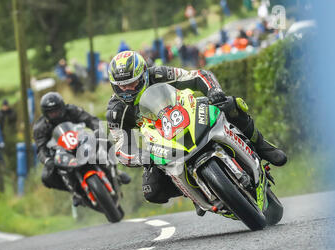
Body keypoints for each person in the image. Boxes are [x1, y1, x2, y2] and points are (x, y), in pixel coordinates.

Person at [106, 50, 287, 212]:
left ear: (144, 74)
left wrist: (213, 91)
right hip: (160, 140)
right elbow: (121, 146)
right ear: (115, 86)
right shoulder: (115, 110)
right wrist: (142, 157)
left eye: (133, 83)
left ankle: (262, 146)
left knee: (231, 104)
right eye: (123, 86)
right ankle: (195, 189)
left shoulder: (160, 73)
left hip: (186, 114)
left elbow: (198, 76)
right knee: (152, 191)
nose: (128, 89)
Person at [33, 92, 130, 206]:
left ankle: (115, 171)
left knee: (103, 140)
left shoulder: (72, 110)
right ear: (45, 114)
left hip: (81, 142)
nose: (55, 114)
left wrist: (97, 130)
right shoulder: (40, 127)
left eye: (57, 110)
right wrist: (47, 160)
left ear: (63, 107)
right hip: (61, 152)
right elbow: (40, 148)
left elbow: (90, 119)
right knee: (46, 177)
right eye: (51, 113)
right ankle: (74, 192)